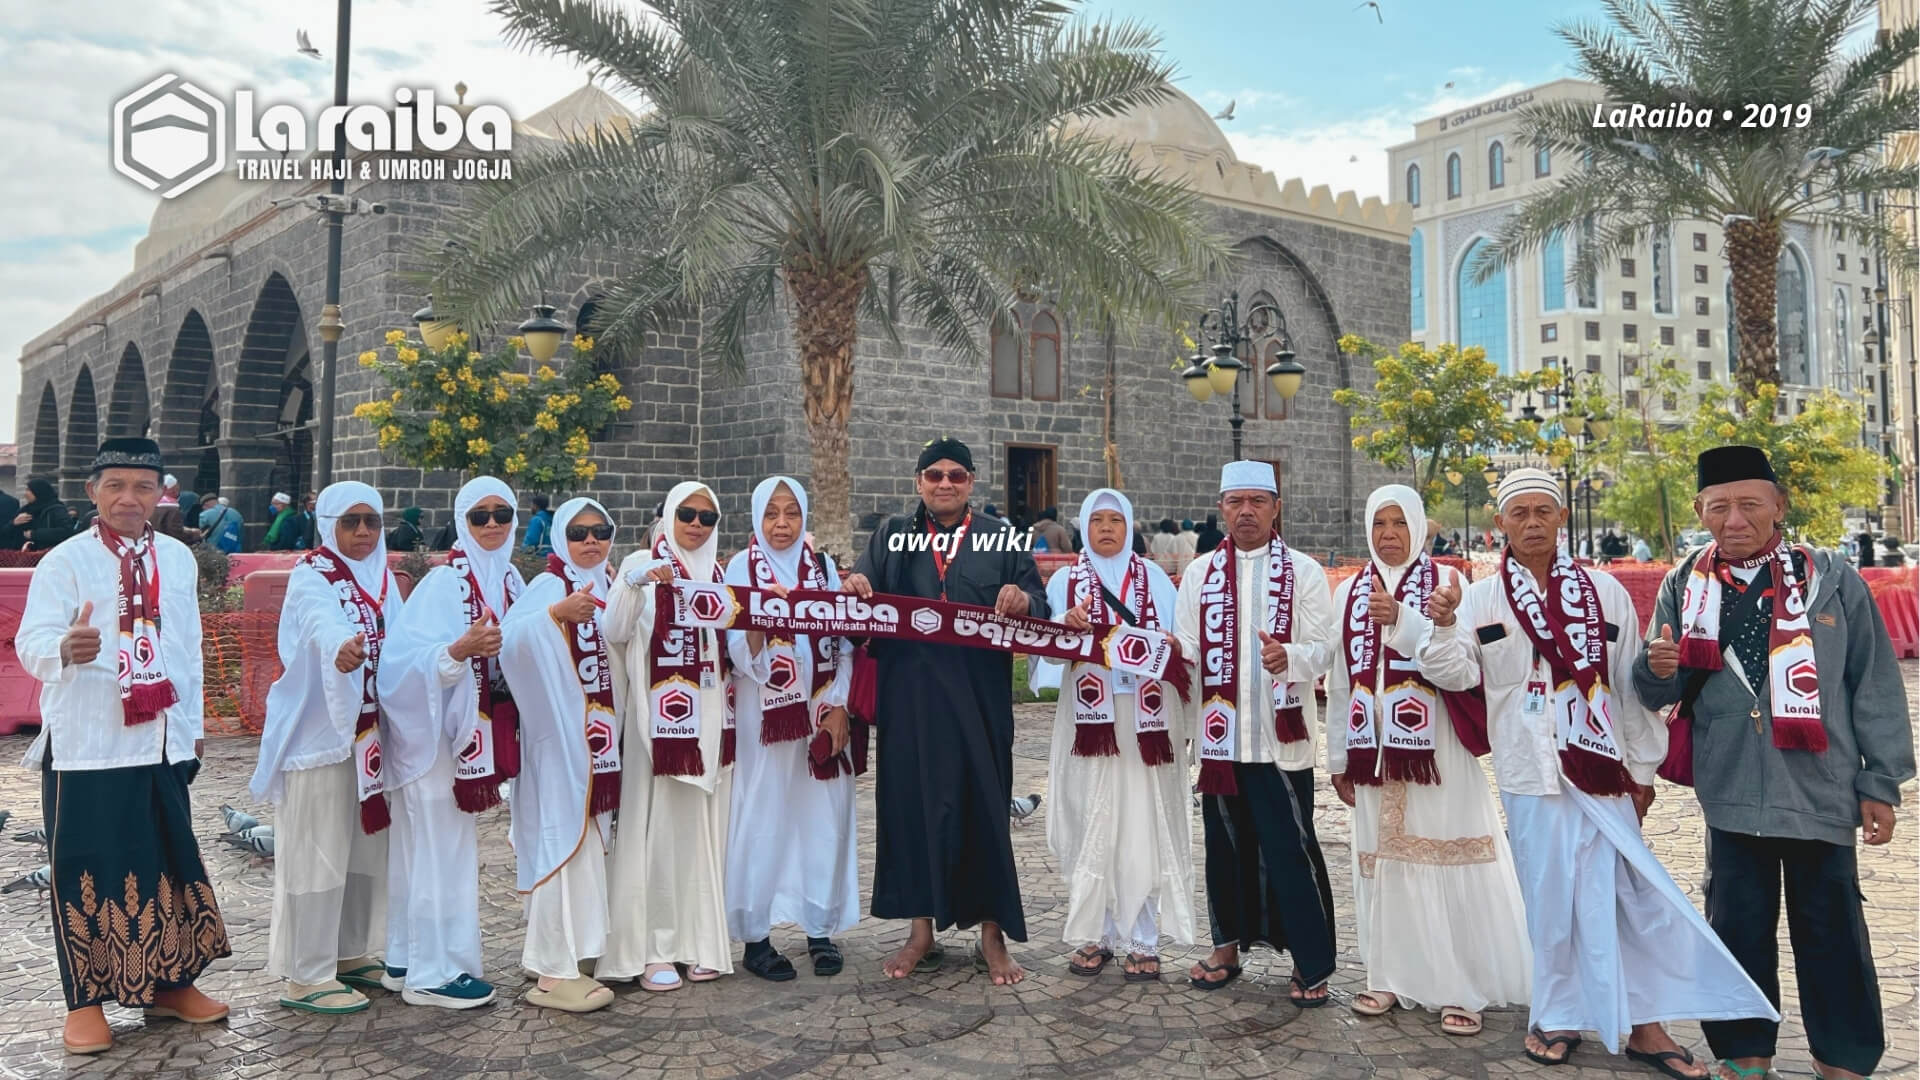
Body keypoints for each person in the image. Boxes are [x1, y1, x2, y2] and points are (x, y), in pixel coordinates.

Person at [1419, 467, 1774, 1075]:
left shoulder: (1604, 592)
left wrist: (1641, 770)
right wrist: (1445, 623)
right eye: (1519, 513)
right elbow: (1451, 674)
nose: (1532, 523)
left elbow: (1630, 688)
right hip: (1532, 776)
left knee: (1627, 894)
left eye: (1543, 512)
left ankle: (1646, 1024)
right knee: (1550, 901)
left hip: (1603, 771)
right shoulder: (1478, 598)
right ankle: (1556, 1015)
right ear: (1498, 523)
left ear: (1561, 519)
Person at [1633, 446, 1913, 1080]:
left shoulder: (1830, 576)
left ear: (1779, 507)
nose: (1734, 519)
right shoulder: (1684, 584)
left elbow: (1872, 681)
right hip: (1731, 790)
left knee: (1832, 928)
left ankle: (1842, 1055)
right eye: (1720, 506)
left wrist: (1880, 781)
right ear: (1701, 510)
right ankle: (1743, 1051)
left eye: (1750, 504)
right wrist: (1652, 670)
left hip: (1820, 787)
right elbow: (1657, 690)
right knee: (1736, 928)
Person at [16, 437, 231, 1055]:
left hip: (160, 739)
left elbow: (186, 652)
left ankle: (171, 986)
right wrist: (65, 649)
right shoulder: (65, 562)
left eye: (143, 486)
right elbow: (32, 640)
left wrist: (189, 733)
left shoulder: (178, 559)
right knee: (87, 869)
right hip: (89, 743)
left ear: (161, 491)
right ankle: (84, 1003)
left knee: (166, 865)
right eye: (115, 485)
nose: (129, 498)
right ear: (93, 492)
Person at [1325, 485, 1530, 1036]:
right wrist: (1340, 757)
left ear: (1417, 527)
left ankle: (1456, 986)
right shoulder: (1349, 594)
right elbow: (1342, 684)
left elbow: (1462, 673)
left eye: (1398, 523)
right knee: (1382, 863)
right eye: (1378, 525)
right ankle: (1389, 973)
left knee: (1442, 857)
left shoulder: (1448, 585)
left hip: (1435, 752)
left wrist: (1414, 624)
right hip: (1374, 757)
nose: (1388, 535)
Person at [843, 436, 1048, 985]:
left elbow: (1040, 607)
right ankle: (920, 933)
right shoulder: (892, 536)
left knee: (984, 812)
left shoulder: (1000, 537)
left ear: (972, 483)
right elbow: (858, 604)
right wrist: (856, 586)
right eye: (934, 475)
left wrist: (1024, 601)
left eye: (956, 475)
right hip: (909, 704)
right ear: (919, 482)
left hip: (979, 705)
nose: (945, 484)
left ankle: (991, 937)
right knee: (910, 811)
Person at [1174, 460, 1338, 1006]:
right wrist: (1171, 655)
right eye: (1236, 502)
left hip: (1280, 740)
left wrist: (1286, 655)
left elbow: (1324, 648)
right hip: (1221, 742)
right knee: (1222, 846)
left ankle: (1310, 960)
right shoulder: (1198, 574)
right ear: (1221, 508)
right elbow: (1188, 651)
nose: (1246, 512)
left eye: (1257, 502)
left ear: (1275, 508)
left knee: (1291, 848)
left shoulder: (1306, 572)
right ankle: (1226, 947)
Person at [1030, 488, 1195, 982]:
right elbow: (1047, 653)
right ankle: (1096, 934)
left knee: (1144, 824)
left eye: (1115, 520)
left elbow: (1181, 649)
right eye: (1097, 520)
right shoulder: (1063, 581)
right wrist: (1067, 625)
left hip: (1146, 721)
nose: (1106, 528)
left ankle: (1143, 938)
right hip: (1088, 723)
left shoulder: (1157, 583)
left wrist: (1169, 646)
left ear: (1129, 527)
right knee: (1090, 820)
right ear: (1083, 527)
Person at [251, 482, 402, 1015]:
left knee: (364, 849)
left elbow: (402, 644)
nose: (363, 532)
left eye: (372, 522)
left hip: (370, 739)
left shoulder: (384, 579)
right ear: (329, 525)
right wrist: (343, 649)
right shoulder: (311, 575)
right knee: (317, 853)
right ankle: (306, 972)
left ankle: (349, 952)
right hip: (320, 737)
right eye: (350, 522)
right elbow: (320, 623)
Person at [374, 480, 523, 1010]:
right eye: (479, 515)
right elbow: (396, 666)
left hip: (469, 738)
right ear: (462, 521)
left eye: (501, 513)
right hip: (434, 741)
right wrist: (458, 650)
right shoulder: (445, 583)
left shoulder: (508, 579)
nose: (491, 525)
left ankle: (404, 959)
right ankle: (436, 973)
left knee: (423, 854)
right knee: (440, 855)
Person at [600, 481, 736, 990]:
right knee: (655, 837)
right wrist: (634, 583)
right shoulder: (643, 563)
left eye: (707, 517)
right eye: (688, 515)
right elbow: (615, 631)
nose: (697, 526)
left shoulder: (719, 576)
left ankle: (700, 942)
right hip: (655, 729)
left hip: (709, 728)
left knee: (700, 837)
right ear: (668, 517)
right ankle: (654, 948)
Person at [722, 477, 859, 981]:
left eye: (792, 513)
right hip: (767, 719)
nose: (782, 524)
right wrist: (762, 612)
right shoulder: (741, 567)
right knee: (764, 818)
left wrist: (839, 706)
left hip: (821, 715)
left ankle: (818, 927)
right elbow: (737, 652)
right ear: (757, 518)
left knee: (821, 820)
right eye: (772, 514)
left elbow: (844, 644)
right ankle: (757, 937)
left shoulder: (822, 570)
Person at [498, 496, 620, 1013]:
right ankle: (551, 970)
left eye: (600, 530)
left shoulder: (613, 583)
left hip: (599, 745)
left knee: (589, 848)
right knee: (559, 845)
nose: (591, 540)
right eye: (578, 532)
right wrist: (555, 615)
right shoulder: (549, 584)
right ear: (559, 540)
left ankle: (580, 951)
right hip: (558, 746)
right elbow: (511, 641)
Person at [18, 478, 75, 550]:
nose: (25, 494)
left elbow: (66, 531)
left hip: (50, 554)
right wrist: (14, 523)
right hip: (29, 556)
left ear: (38, 492)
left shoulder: (56, 509)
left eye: (29, 490)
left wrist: (34, 534)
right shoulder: (26, 510)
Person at [147, 474, 198, 545]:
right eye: (177, 488)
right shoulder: (172, 506)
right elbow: (175, 531)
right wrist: (192, 534)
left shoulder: (151, 503)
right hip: (167, 545)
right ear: (174, 489)